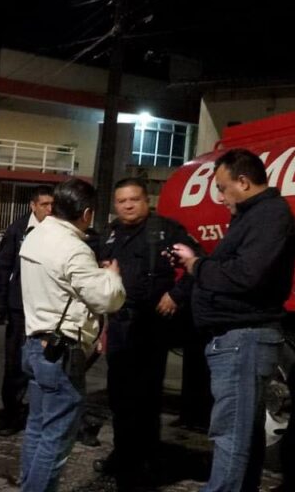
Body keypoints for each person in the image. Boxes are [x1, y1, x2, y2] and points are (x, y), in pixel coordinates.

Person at [171, 148, 295, 492]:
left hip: (243, 339)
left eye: (223, 187)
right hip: (238, 338)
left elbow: (244, 276)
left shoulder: (270, 216)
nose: (220, 195)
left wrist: (197, 265)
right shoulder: (254, 216)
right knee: (242, 433)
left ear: (243, 182)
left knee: (230, 433)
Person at [18, 178, 126, 492]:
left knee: (37, 428)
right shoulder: (74, 249)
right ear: (87, 213)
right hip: (61, 351)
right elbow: (108, 299)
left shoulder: (34, 236)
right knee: (57, 438)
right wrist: (112, 277)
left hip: (35, 344)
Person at [94, 178, 198, 490]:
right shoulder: (110, 233)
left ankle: (145, 459)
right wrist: (102, 326)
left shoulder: (166, 230)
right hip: (121, 323)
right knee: (119, 395)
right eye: (122, 201)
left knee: (147, 397)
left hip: (152, 326)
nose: (128, 205)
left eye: (134, 199)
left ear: (146, 201)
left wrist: (177, 295)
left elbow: (198, 262)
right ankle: (123, 454)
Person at [0, 185, 54, 436]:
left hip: (46, 309)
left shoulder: (57, 231)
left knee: (44, 365)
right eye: (44, 205)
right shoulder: (18, 230)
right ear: (33, 206)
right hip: (19, 309)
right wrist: (0, 305)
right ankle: (11, 415)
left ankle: (40, 415)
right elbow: (3, 267)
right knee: (15, 365)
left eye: (52, 205)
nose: (50, 210)